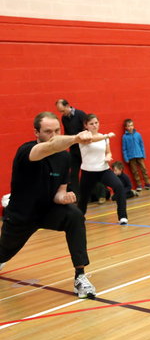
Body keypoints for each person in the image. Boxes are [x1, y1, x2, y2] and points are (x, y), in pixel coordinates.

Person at [0, 111, 96, 299]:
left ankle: (80, 277)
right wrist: (76, 138)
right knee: (3, 253)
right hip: (22, 215)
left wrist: (64, 197)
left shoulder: (64, 158)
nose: (53, 135)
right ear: (36, 133)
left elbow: (59, 192)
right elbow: (51, 145)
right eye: (47, 131)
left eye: (57, 130)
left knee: (74, 216)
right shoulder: (27, 151)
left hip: (47, 211)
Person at [77, 114, 129, 225]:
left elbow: (108, 151)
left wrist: (108, 156)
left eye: (96, 123)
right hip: (88, 172)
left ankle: (122, 216)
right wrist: (106, 136)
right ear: (86, 125)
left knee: (119, 186)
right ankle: (80, 216)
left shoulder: (104, 138)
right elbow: (92, 139)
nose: (94, 125)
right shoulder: (83, 136)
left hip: (103, 170)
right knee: (83, 196)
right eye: (91, 124)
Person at [55, 99, 87, 197]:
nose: (62, 113)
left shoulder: (80, 114)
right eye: (60, 111)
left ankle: (100, 194)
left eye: (62, 110)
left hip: (84, 148)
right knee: (73, 173)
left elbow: (87, 130)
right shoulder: (64, 118)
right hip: (74, 149)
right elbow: (67, 133)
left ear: (68, 105)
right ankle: (76, 196)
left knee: (89, 172)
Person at [121, 118, 150, 192]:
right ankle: (139, 185)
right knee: (135, 171)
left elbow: (141, 145)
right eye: (128, 126)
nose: (130, 127)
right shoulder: (124, 137)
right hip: (131, 157)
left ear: (133, 126)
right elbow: (124, 148)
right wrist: (126, 158)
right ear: (126, 127)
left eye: (131, 125)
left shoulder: (138, 135)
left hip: (139, 155)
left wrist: (144, 154)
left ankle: (147, 183)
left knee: (144, 169)